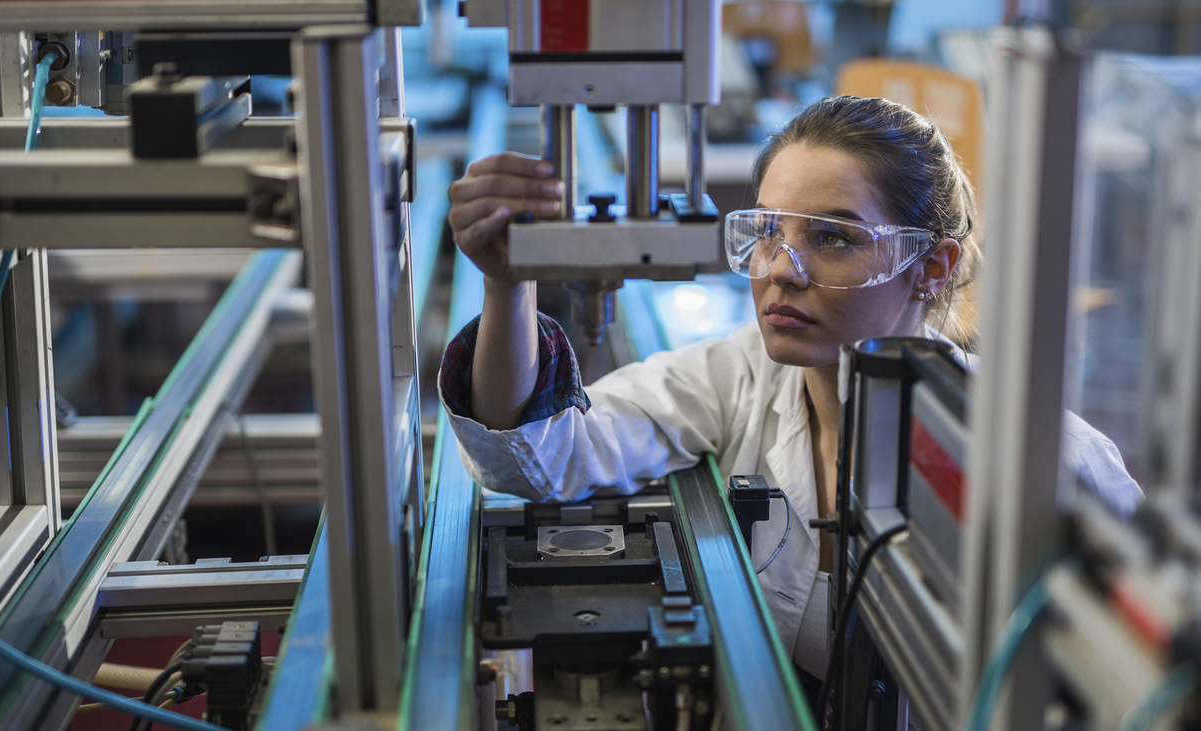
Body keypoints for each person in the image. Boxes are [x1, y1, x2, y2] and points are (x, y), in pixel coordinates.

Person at [440, 95, 1141, 684]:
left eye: (832, 238)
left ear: (931, 265)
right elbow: (538, 456)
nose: (781, 269)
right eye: (768, 231)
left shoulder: (1054, 465)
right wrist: (508, 280)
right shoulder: (737, 377)